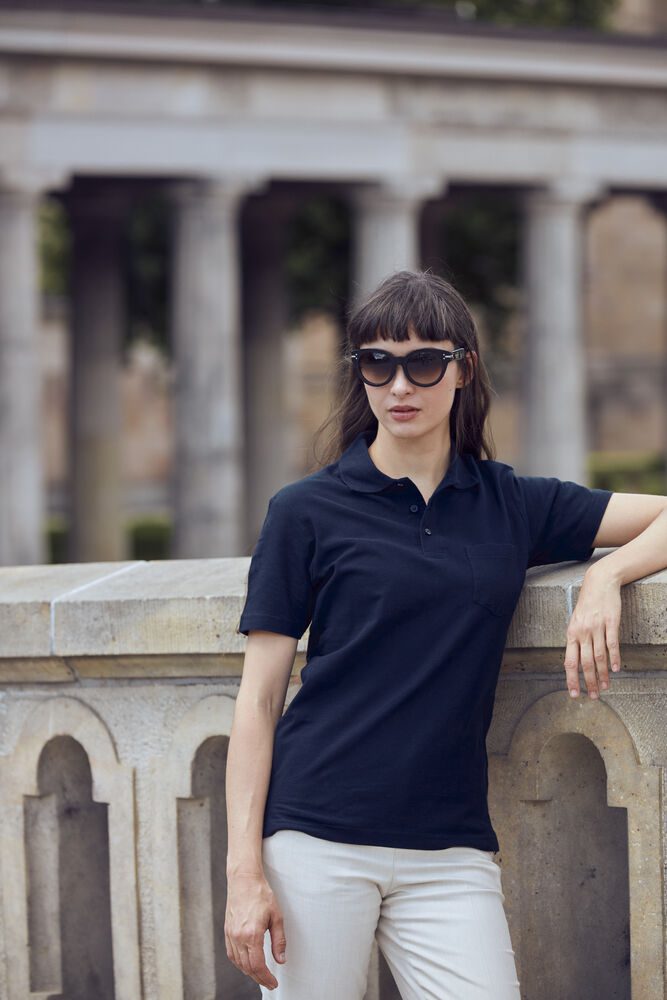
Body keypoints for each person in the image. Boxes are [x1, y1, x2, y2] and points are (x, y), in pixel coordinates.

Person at [224, 269, 619, 999]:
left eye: (424, 363)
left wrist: (606, 576)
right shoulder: (304, 511)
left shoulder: (509, 502)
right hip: (315, 835)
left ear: (463, 369)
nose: (399, 385)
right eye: (377, 363)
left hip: (448, 846)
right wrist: (244, 872)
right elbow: (258, 700)